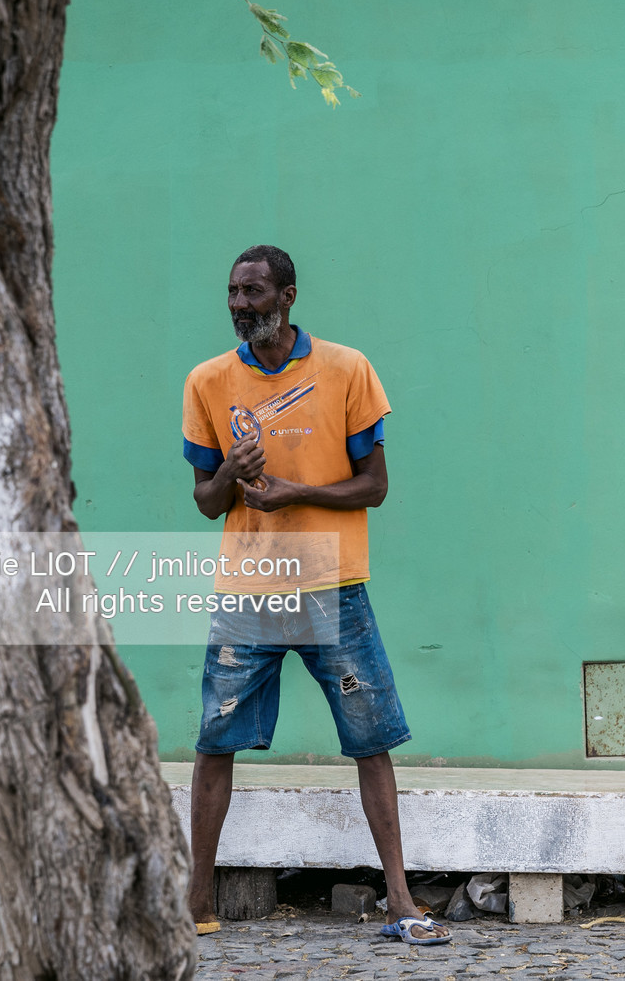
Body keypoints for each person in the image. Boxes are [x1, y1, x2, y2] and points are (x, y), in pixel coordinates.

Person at [179, 244, 449, 945]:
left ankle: (400, 900)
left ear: (288, 296)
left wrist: (296, 492)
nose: (240, 305)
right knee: (214, 743)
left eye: (254, 292)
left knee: (371, 741)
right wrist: (229, 474)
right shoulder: (207, 381)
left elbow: (375, 487)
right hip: (248, 592)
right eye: (233, 292)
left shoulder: (347, 369)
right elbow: (206, 501)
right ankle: (196, 902)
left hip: (333, 587)